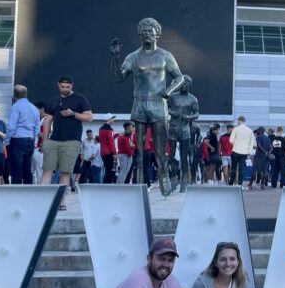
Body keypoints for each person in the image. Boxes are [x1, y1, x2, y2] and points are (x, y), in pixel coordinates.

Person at [110, 18, 185, 195]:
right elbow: (118, 78)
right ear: (139, 35)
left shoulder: (166, 56)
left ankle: (164, 179)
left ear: (157, 34)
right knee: (139, 150)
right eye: (143, 32)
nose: (147, 34)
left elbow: (180, 78)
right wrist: (114, 57)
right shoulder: (133, 57)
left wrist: (169, 91)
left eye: (150, 31)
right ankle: (139, 182)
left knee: (160, 149)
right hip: (140, 105)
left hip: (159, 105)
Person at [40, 76, 93, 210]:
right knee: (47, 170)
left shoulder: (80, 99)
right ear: (58, 85)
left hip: (71, 141)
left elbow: (89, 117)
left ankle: (61, 202)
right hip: (53, 140)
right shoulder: (54, 100)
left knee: (65, 172)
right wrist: (45, 141)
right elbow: (48, 120)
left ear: (72, 85)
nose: (65, 89)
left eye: (67, 87)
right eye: (63, 87)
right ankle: (40, 200)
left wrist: (73, 114)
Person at [4, 84, 40, 185]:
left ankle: (17, 192)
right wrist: (33, 139)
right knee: (27, 168)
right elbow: (37, 127)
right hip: (30, 140)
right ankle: (28, 191)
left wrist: (6, 141)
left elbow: (11, 126)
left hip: (17, 140)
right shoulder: (34, 108)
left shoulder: (16, 107)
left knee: (16, 169)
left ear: (14, 96)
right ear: (26, 94)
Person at [229, 115, 253, 186]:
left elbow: (231, 140)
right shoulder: (249, 130)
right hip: (244, 152)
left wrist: (235, 144)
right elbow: (252, 142)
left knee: (233, 168)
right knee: (241, 169)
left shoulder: (236, 129)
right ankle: (240, 184)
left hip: (236, 151)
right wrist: (249, 151)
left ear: (239, 121)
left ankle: (231, 183)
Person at [99, 117, 118, 183]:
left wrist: (116, 135)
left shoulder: (101, 129)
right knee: (110, 170)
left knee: (107, 169)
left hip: (103, 152)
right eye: (112, 119)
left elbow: (106, 140)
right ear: (108, 119)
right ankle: (107, 184)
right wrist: (114, 153)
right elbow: (111, 142)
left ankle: (106, 184)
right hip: (109, 152)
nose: (113, 120)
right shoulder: (110, 130)